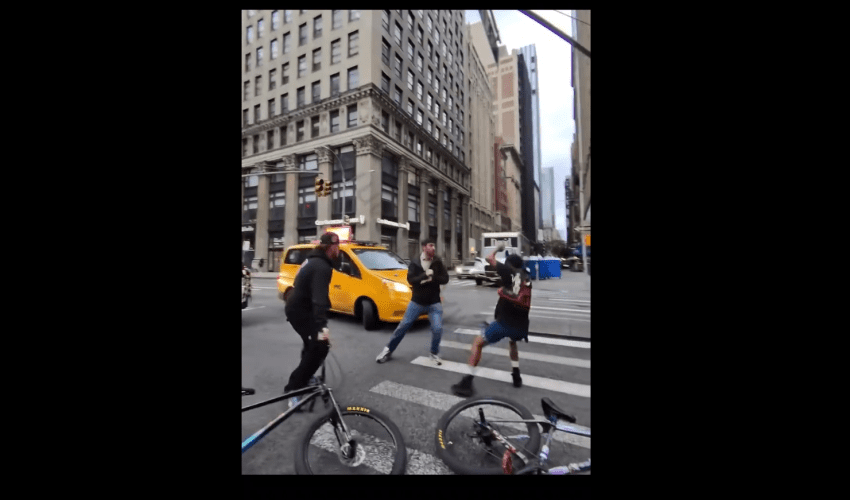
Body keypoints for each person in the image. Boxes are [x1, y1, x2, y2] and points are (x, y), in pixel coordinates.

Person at [451, 243, 531, 397]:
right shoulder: (526, 276)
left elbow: (489, 258)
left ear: (510, 265)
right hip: (521, 325)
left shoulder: (509, 272)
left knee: (478, 343)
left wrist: (497, 248)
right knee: (512, 342)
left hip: (505, 323)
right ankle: (516, 375)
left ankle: (467, 381)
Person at [283, 232, 340, 409]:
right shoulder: (322, 266)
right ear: (331, 247)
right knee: (320, 346)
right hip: (300, 312)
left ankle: (305, 377)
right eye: (337, 245)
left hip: (299, 308)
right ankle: (293, 389)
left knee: (312, 346)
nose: (339, 249)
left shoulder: (313, 260)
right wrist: (322, 326)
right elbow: (318, 298)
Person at [375, 238, 449, 366]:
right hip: (417, 302)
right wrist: (425, 275)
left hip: (434, 302)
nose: (433, 248)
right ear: (424, 247)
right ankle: (387, 350)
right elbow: (410, 280)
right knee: (403, 327)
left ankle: (434, 353)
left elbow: (445, 279)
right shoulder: (415, 262)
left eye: (434, 246)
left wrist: (434, 277)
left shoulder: (437, 261)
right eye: (431, 245)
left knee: (437, 329)